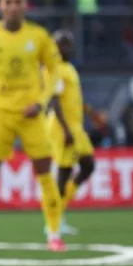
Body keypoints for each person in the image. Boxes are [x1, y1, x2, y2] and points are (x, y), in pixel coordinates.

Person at [0, 0, 65, 254]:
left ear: (25, 4)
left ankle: (54, 234)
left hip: (31, 114)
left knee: (45, 171)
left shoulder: (39, 36)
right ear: (0, 6)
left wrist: (42, 102)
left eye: (18, 1)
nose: (12, 6)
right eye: (8, 1)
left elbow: (55, 70)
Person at [46, 29, 95, 235]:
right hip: (62, 127)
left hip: (76, 126)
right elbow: (55, 101)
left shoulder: (69, 68)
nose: (67, 47)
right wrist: (65, 130)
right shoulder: (55, 68)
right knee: (63, 172)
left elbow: (72, 98)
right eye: (63, 44)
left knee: (88, 165)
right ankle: (54, 222)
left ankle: (60, 210)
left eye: (68, 43)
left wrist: (91, 113)